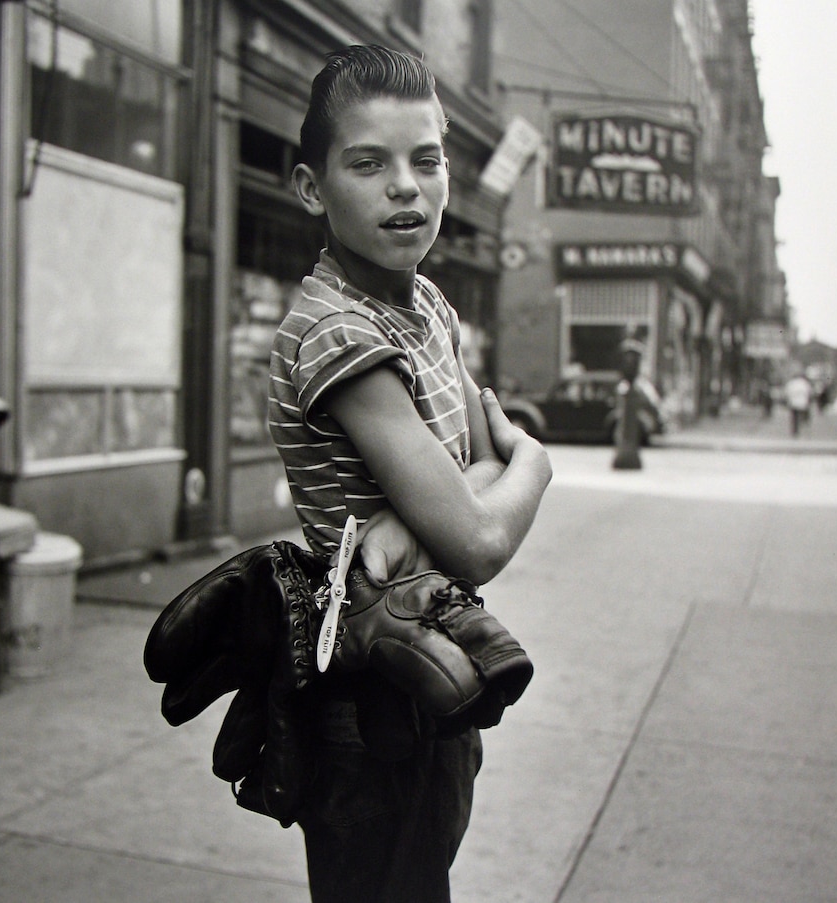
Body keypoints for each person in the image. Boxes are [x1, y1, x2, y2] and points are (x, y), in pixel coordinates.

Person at [267, 45, 552, 903]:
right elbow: (480, 532)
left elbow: (480, 451)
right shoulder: (339, 333)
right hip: (370, 704)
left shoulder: (423, 302)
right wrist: (535, 467)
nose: (406, 186)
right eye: (369, 162)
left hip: (436, 670)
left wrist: (423, 510)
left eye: (426, 160)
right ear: (313, 188)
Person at [784, 370, 813, 436]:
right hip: (802, 402)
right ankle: (802, 424)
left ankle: (795, 429)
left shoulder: (791, 383)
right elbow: (809, 392)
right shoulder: (804, 383)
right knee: (801, 415)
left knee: (794, 417)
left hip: (793, 402)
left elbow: (787, 392)